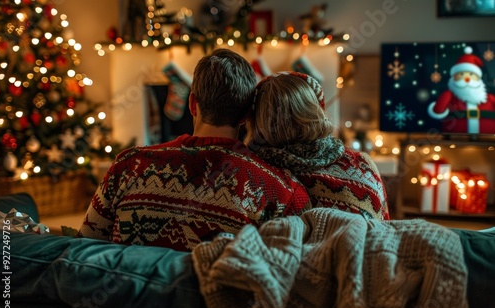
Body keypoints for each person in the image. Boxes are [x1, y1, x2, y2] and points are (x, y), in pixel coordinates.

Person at [77, 49, 311, 251]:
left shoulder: (129, 164)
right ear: (245, 116)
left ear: (191, 104)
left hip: (130, 300)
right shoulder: (281, 191)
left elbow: (83, 247)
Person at [245, 71, 390, 220]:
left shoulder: (253, 178)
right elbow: (385, 229)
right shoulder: (363, 165)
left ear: (257, 121)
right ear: (316, 110)